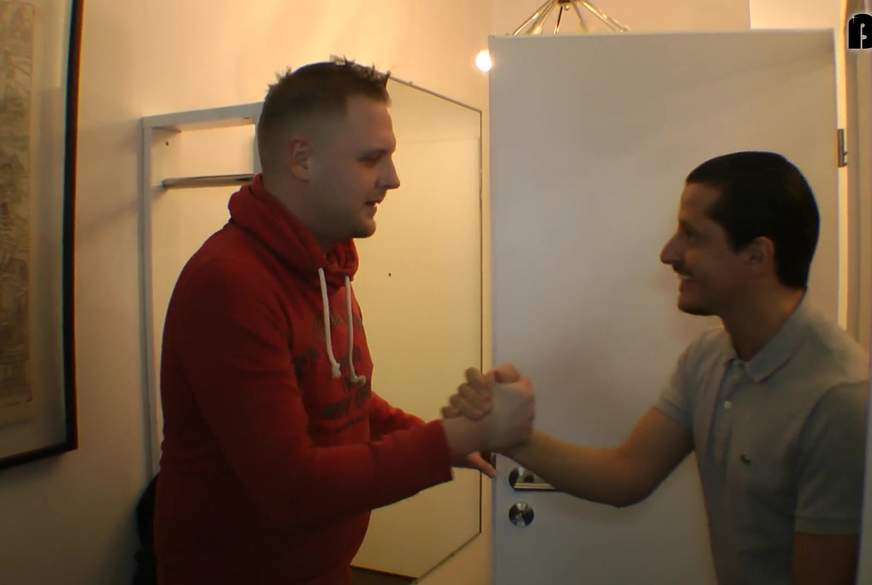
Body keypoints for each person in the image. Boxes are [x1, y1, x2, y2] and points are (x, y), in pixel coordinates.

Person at [154, 60, 535, 585]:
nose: (393, 179)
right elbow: (291, 489)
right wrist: (447, 440)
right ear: (302, 159)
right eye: (370, 158)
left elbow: (342, 401)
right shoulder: (229, 283)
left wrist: (444, 438)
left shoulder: (325, 268)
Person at [446, 152, 868, 585]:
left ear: (757, 256)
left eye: (692, 235)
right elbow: (626, 475)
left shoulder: (839, 399)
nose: (669, 254)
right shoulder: (708, 356)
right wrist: (509, 434)